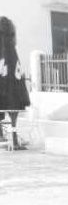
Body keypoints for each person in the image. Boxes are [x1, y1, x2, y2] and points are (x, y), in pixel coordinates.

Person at [0, 16, 30, 150]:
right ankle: (14, 139)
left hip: (4, 81)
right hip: (12, 83)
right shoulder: (11, 51)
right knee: (13, 108)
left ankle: (5, 136)